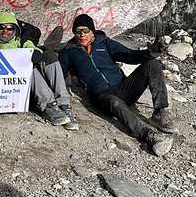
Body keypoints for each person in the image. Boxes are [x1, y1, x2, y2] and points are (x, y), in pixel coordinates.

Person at [58, 14, 176, 156]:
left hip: (123, 88)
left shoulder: (104, 43)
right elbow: (58, 74)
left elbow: (129, 55)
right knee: (114, 102)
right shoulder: (69, 52)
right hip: (102, 96)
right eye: (78, 32)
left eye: (85, 31)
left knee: (153, 64)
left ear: (92, 31)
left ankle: (160, 113)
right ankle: (149, 136)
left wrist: (150, 53)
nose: (82, 35)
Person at [0, 11, 78, 129]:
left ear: (15, 30)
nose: (5, 32)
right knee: (27, 66)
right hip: (12, 88)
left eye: (10, 28)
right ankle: (48, 106)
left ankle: (64, 105)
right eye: (1, 28)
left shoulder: (22, 42)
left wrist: (35, 52)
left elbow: (31, 47)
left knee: (49, 56)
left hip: (28, 84)